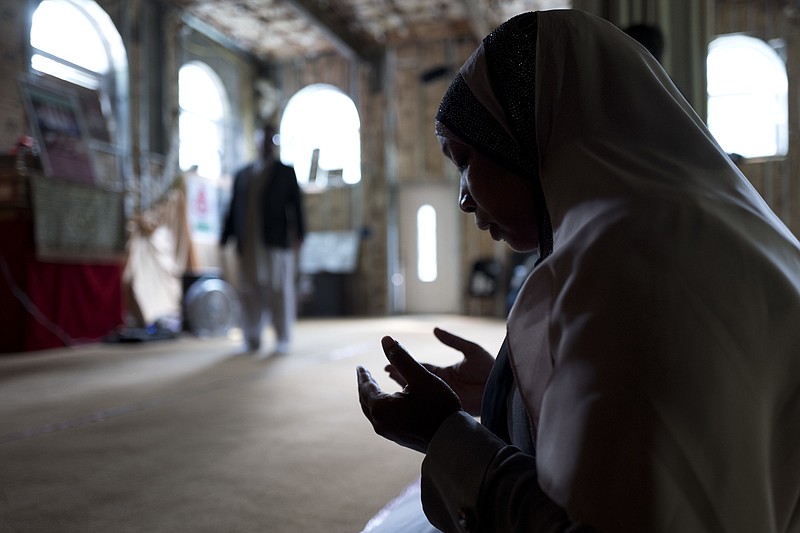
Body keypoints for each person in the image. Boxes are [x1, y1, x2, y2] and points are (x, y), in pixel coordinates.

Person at [357, 10, 800, 532]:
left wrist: (444, 434)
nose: (463, 199)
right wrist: (508, 390)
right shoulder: (707, 225)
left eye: (466, 159)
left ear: (529, 137)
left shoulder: (629, 272)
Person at [220, 123, 305, 354]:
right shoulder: (242, 174)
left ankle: (282, 338)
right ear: (256, 142)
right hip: (247, 243)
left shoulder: (285, 172)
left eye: (269, 139)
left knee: (279, 290)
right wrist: (224, 236)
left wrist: (300, 234)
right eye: (262, 139)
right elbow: (232, 209)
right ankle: (252, 337)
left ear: (274, 143)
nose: (265, 143)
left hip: (276, 242)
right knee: (248, 290)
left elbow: (296, 206)